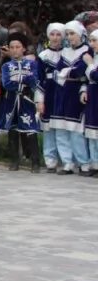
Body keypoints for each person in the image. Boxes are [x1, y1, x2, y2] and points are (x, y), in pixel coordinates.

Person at [0, 32, 42, 172]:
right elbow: (7, 84)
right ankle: (14, 160)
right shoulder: (6, 66)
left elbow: (34, 80)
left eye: (18, 47)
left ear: (23, 49)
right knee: (13, 130)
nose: (15, 49)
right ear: (9, 49)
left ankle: (35, 162)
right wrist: (24, 81)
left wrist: (21, 81)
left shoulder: (32, 64)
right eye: (12, 47)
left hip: (27, 101)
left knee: (30, 130)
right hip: (11, 101)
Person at [52, 21, 92, 175]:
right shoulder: (65, 52)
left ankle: (83, 163)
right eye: (67, 34)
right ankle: (67, 163)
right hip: (61, 93)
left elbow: (81, 71)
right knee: (61, 130)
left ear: (81, 34)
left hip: (76, 93)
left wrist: (67, 72)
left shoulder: (87, 51)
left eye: (72, 33)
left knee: (76, 131)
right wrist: (69, 72)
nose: (69, 37)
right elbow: (57, 70)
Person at [37, 23, 66, 172]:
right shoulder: (43, 56)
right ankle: (50, 161)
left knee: (62, 130)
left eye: (58, 34)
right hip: (48, 93)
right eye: (52, 34)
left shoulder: (67, 53)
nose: (55, 38)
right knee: (48, 130)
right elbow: (39, 80)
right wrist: (39, 100)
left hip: (63, 93)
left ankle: (65, 160)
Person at [85, 28, 98, 172]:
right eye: (90, 41)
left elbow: (95, 76)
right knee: (92, 133)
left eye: (94, 41)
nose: (92, 44)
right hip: (92, 95)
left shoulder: (91, 60)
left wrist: (89, 64)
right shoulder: (93, 56)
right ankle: (95, 163)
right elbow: (86, 79)